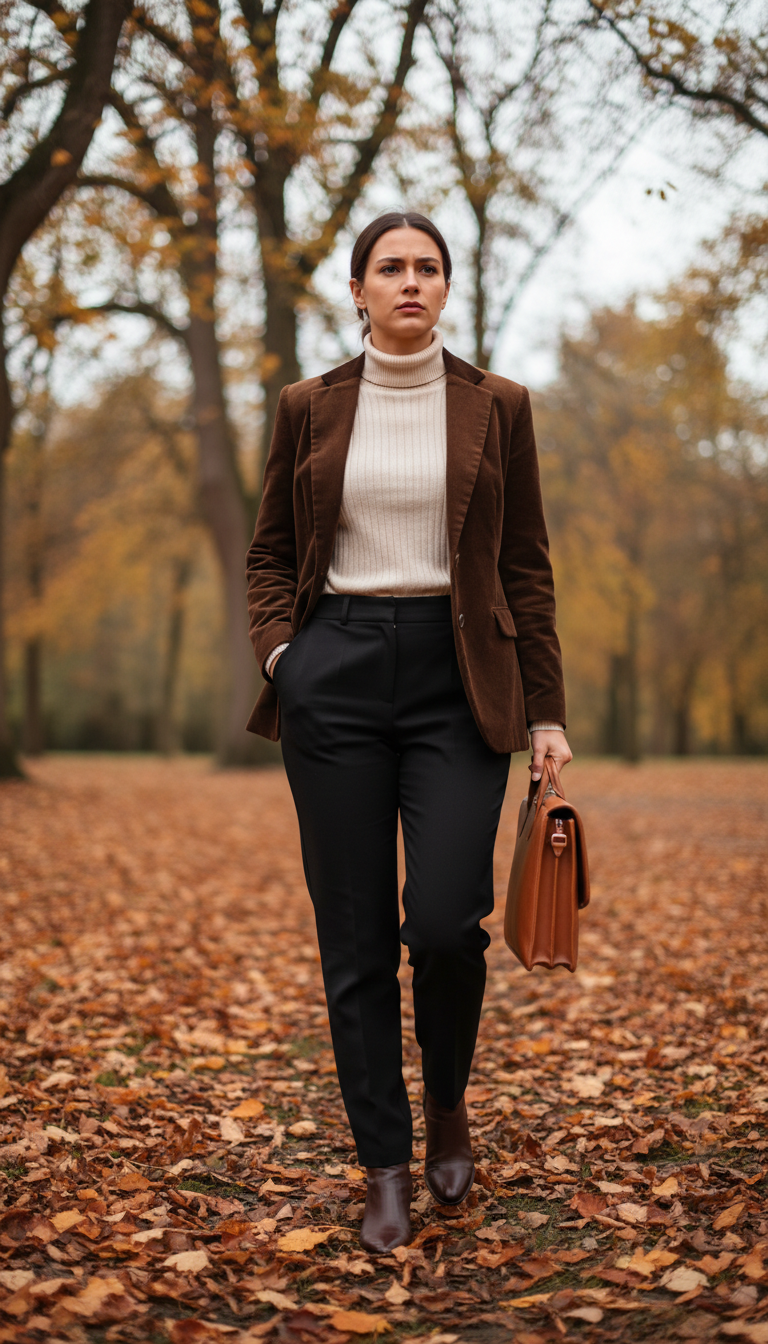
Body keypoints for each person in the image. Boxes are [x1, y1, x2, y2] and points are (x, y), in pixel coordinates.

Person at [245, 210, 571, 1253]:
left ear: (446, 286)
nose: (412, 282)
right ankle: (384, 1162)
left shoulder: (498, 405)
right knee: (351, 941)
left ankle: (446, 1112)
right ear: (357, 290)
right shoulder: (308, 405)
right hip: (333, 671)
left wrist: (547, 710)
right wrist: (285, 659)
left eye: (429, 267)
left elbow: (526, 564)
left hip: (458, 676)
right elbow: (268, 555)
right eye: (391, 267)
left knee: (440, 923)